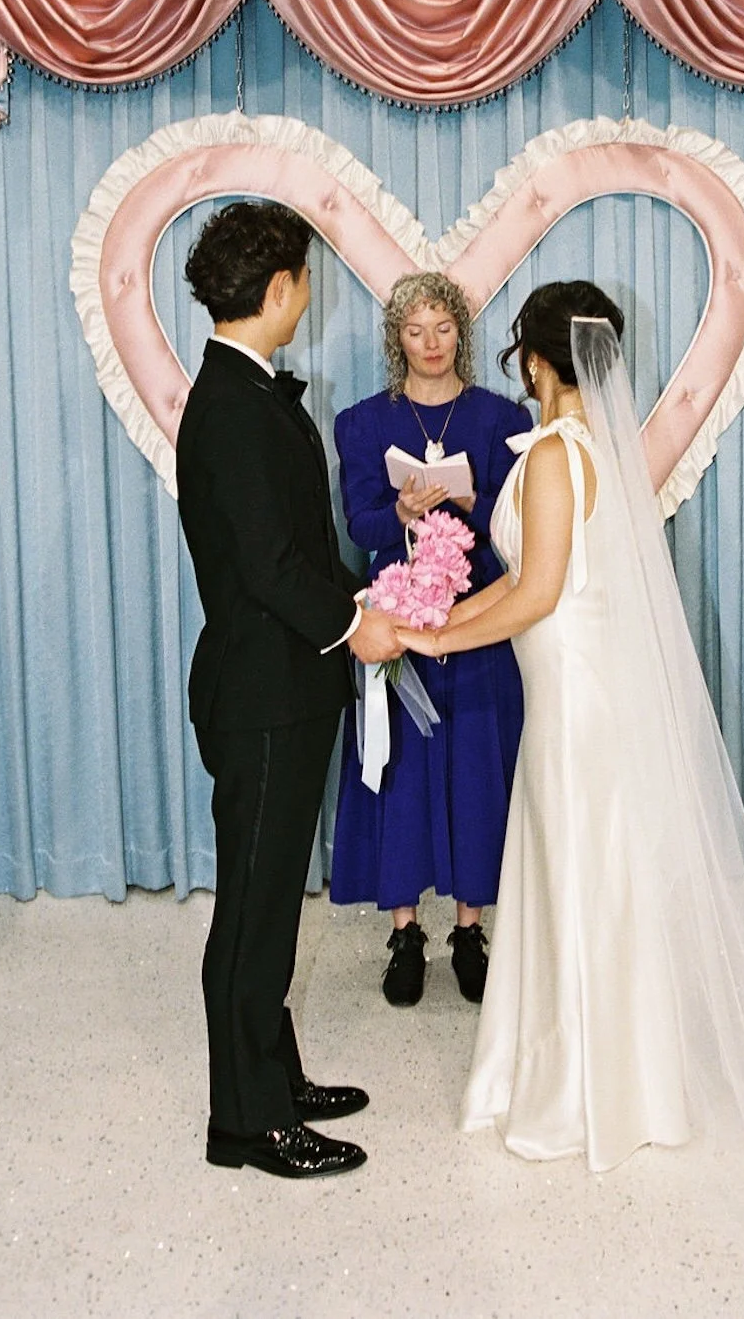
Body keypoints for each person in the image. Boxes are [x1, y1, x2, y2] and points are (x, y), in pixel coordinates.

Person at [394, 280, 744, 1172]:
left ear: (537, 363)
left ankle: (584, 1092)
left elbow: (538, 593)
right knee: (590, 877)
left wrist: (435, 638)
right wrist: (433, 622)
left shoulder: (552, 457)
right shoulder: (597, 451)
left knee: (580, 876)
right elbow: (528, 580)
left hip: (575, 700)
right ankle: (623, 1076)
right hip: (578, 688)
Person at [177, 200, 401, 1180]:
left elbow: (293, 548)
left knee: (269, 901)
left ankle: (274, 1074)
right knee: (254, 910)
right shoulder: (232, 406)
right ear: (278, 289)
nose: (309, 292)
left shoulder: (245, 389)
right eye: (305, 278)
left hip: (287, 685)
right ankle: (247, 1122)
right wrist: (356, 626)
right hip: (263, 695)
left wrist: (360, 596)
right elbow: (268, 566)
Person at [332, 272, 529, 1006]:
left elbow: (521, 524)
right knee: (402, 773)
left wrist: (473, 498)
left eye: (443, 328)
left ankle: (470, 931)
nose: (431, 343)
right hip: (398, 624)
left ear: (461, 334)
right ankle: (405, 932)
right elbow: (360, 527)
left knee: (477, 768)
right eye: (415, 331)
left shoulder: (502, 417)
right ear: (397, 339)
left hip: (480, 621)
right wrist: (401, 514)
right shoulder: (361, 422)